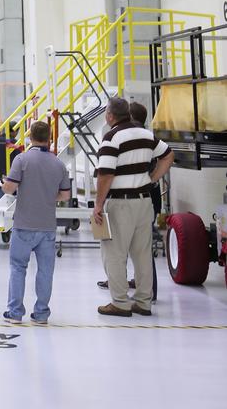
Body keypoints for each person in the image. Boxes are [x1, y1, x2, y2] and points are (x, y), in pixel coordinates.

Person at [94, 96, 174, 318]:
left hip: (120, 204)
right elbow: (168, 155)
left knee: (115, 253)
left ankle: (120, 302)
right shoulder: (147, 135)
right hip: (144, 201)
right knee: (142, 254)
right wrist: (152, 178)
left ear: (110, 116)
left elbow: (105, 174)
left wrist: (98, 205)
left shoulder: (111, 138)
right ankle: (143, 302)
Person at [1, 120, 71, 325]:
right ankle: (41, 314)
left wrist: (9, 183)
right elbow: (65, 195)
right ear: (49, 138)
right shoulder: (58, 163)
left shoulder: (21, 160)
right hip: (47, 226)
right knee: (45, 270)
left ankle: (15, 313)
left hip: (24, 224)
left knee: (17, 267)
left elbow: (8, 189)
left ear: (30, 137)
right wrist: (48, 197)